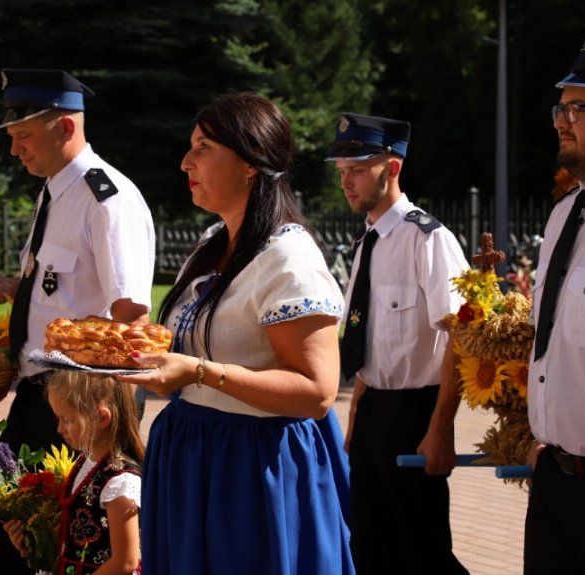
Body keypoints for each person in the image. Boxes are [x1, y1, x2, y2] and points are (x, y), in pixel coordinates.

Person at [118, 92, 354, 574]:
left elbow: (316, 392)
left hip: (253, 465)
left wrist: (199, 372)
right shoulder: (212, 243)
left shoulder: (289, 260)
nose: (186, 161)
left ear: (250, 163)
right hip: (192, 452)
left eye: (203, 147)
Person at [0, 69, 155, 575]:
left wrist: (90, 427)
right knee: (7, 532)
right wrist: (14, 288)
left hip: (81, 406)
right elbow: (60, 289)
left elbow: (131, 316)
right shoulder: (56, 191)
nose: (14, 150)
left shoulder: (105, 199)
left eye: (23, 136)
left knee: (56, 546)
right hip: (40, 397)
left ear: (66, 128)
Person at [328, 112, 470, 574]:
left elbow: (461, 336)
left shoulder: (427, 239)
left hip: (416, 413)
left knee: (423, 551)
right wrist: (356, 418)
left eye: (358, 170)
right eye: (342, 172)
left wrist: (441, 425)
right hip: (373, 412)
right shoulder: (367, 240)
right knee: (370, 546)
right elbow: (367, 338)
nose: (347, 182)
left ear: (392, 168)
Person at [524, 24, 585, 574]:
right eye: (560, 108)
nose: (561, 120)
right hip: (556, 486)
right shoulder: (566, 215)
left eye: (579, 107)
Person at [4, 371, 143, 574]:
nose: (59, 429)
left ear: (101, 417)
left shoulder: (120, 482)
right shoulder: (85, 462)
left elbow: (125, 562)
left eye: (68, 420)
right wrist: (34, 543)